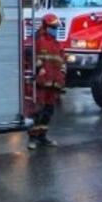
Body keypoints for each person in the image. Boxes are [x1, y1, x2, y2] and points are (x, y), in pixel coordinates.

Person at [28, 13, 66, 150]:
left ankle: (42, 137)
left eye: (56, 27)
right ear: (46, 26)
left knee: (48, 111)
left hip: (53, 85)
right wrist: (37, 72)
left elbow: (62, 62)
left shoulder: (57, 44)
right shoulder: (37, 40)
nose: (55, 30)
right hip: (40, 84)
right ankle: (32, 138)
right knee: (36, 111)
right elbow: (30, 59)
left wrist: (61, 79)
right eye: (53, 27)